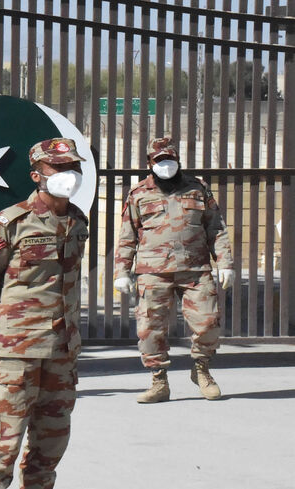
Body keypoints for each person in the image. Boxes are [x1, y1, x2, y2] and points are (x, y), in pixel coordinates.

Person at [0, 138, 89, 489]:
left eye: (74, 167)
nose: (69, 174)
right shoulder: (10, 221)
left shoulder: (78, 220)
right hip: (17, 352)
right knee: (1, 448)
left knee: (50, 446)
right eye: (60, 168)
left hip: (62, 350)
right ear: (37, 175)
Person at [114, 136, 234, 403]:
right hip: (152, 271)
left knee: (208, 323)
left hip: (195, 269)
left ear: (177, 160)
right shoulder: (138, 194)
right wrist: (121, 271)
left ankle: (201, 370)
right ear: (149, 163)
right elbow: (127, 235)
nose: (165, 165)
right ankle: (159, 381)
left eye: (170, 160)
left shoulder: (197, 189)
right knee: (150, 328)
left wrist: (225, 263)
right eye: (160, 161)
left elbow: (216, 228)